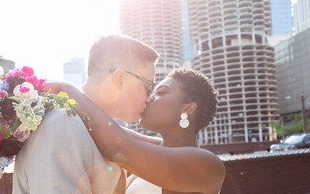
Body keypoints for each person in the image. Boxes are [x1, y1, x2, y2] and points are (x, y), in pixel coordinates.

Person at [12, 34, 159, 194]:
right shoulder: (63, 123)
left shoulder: (89, 126)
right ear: (120, 78)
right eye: (147, 87)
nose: (149, 98)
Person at [47, 68, 225, 194]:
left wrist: (67, 88)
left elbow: (120, 146)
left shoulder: (208, 165)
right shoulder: (158, 148)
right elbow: (115, 132)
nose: (148, 99)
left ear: (187, 109)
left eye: (161, 92)